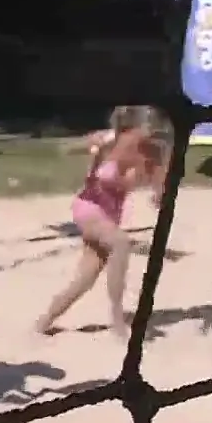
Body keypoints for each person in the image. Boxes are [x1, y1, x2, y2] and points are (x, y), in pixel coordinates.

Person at [35, 106, 171, 339]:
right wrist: (93, 146)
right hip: (88, 207)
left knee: (85, 278)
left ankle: (43, 323)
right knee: (120, 243)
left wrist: (159, 196)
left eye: (155, 125)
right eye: (149, 124)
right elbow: (64, 148)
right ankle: (118, 320)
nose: (153, 129)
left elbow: (160, 191)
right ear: (136, 126)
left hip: (110, 215)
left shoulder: (154, 154)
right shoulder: (113, 141)